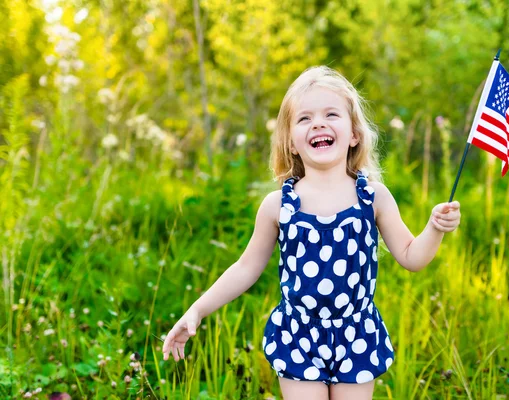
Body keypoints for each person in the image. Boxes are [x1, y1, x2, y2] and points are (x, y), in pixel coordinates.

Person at [162, 65, 461, 399]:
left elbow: (412, 257)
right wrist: (197, 310)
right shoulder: (278, 206)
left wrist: (435, 228)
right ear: (290, 142)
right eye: (304, 119)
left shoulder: (373, 197)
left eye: (331, 114)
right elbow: (245, 268)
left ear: (354, 134)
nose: (318, 123)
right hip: (297, 335)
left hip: (356, 334)